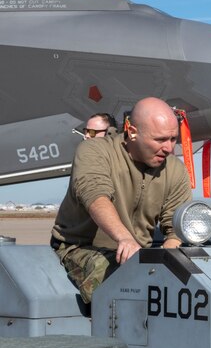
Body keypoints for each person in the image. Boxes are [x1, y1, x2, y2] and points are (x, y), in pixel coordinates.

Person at [51, 97, 192, 303]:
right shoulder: (95, 151)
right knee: (122, 283)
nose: (169, 148)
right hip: (81, 249)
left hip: (138, 257)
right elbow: (95, 197)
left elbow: (176, 226)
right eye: (160, 140)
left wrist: (168, 258)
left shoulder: (174, 169)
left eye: (173, 139)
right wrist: (124, 239)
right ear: (133, 132)